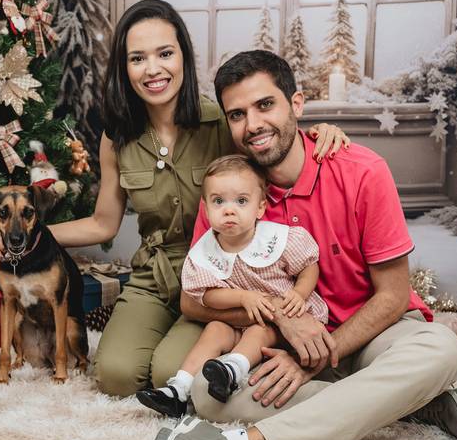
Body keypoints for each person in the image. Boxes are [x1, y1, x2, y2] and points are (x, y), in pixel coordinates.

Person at [144, 50, 457, 440]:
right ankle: (409, 403)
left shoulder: (362, 171)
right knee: (209, 393)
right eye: (237, 114)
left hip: (374, 332)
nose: (253, 125)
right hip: (287, 343)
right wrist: (286, 321)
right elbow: (194, 303)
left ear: (296, 105)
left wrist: (317, 361)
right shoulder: (233, 193)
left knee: (440, 349)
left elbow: (394, 296)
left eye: (266, 105)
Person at [0, 0, 349, 397]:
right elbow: (103, 224)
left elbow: (268, 143)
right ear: (124, 69)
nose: (153, 69)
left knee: (169, 375)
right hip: (153, 278)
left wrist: (317, 131)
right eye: (137, 58)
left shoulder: (220, 123)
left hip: (217, 277)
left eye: (165, 53)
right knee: (115, 376)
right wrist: (28, 235)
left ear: (184, 57)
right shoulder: (118, 137)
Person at [136, 154, 328, 418]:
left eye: (241, 201)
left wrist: (299, 293)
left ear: (260, 208)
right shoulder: (205, 251)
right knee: (214, 328)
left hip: (279, 322)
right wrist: (243, 297)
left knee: (258, 331)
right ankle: (178, 389)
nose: (229, 209)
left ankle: (232, 371)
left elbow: (308, 265)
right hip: (238, 319)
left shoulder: (274, 238)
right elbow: (208, 296)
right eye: (218, 201)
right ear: (205, 208)